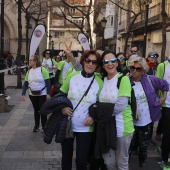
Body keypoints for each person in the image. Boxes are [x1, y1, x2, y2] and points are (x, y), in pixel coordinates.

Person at [59, 50, 103, 170]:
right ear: (83, 61)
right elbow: (61, 95)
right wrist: (63, 108)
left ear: (97, 65)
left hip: (86, 128)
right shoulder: (72, 76)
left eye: (94, 62)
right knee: (66, 157)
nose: (90, 64)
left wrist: (93, 117)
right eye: (88, 60)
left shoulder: (99, 82)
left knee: (81, 160)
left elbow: (101, 105)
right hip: (68, 124)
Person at [128, 56, 169, 170]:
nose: (135, 71)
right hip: (130, 121)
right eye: (132, 68)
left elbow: (165, 84)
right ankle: (125, 166)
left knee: (143, 146)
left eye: (138, 69)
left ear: (143, 70)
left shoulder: (150, 79)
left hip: (146, 121)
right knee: (129, 146)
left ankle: (142, 165)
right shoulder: (126, 80)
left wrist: (163, 97)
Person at [99, 49, 135, 170]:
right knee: (109, 162)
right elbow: (84, 69)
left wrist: (100, 115)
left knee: (122, 163)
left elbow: (120, 106)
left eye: (113, 60)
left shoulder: (123, 79)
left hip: (122, 128)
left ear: (117, 62)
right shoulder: (101, 80)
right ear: (103, 65)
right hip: (106, 129)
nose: (110, 63)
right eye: (106, 61)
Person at [22, 55, 51, 132]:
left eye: (31, 60)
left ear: (36, 61)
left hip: (42, 94)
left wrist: (48, 93)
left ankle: (44, 126)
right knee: (36, 110)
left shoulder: (42, 70)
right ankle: (36, 126)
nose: (30, 62)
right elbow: (25, 83)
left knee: (42, 110)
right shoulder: (29, 71)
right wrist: (23, 94)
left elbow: (48, 82)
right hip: (32, 94)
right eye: (30, 60)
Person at [155, 57, 170, 169]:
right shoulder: (163, 66)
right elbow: (157, 83)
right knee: (167, 133)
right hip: (167, 105)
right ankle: (164, 159)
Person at [146, 50, 159, 146]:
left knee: (152, 116)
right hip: (146, 95)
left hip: (155, 95)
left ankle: (149, 137)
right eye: (152, 56)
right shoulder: (145, 67)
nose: (154, 58)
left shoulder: (157, 67)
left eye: (155, 57)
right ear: (148, 57)